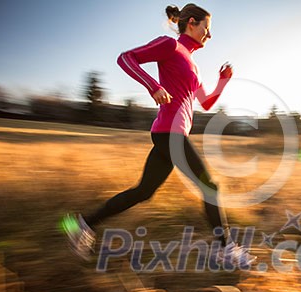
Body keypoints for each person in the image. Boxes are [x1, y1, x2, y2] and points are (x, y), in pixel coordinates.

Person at [61, 3, 255, 267]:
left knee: (143, 191)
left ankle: (82, 224)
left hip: (170, 134)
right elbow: (126, 58)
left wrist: (223, 80)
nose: (209, 35)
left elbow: (206, 103)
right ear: (192, 24)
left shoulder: (193, 66)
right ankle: (226, 249)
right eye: (206, 29)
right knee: (209, 186)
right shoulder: (170, 46)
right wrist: (153, 86)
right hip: (170, 134)